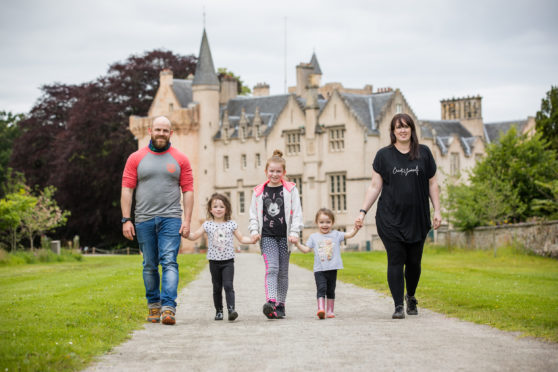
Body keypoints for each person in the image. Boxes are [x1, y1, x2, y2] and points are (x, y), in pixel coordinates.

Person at [355, 113, 441, 319]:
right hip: (389, 218)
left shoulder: (424, 153)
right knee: (395, 259)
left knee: (414, 263)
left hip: (417, 218)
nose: (402, 130)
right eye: (398, 127)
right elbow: (375, 186)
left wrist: (437, 210)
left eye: (406, 126)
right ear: (393, 131)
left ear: (412, 129)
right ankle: (397, 306)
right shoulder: (383, 155)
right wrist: (362, 211)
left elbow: (432, 184)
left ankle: (410, 296)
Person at [121, 115, 194, 326]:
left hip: (171, 218)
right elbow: (127, 190)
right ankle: (154, 306)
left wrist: (187, 220)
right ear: (149, 131)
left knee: (169, 261)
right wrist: (126, 219)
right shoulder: (135, 158)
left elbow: (188, 191)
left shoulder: (181, 159)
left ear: (171, 133)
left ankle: (168, 308)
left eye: (165, 130)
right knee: (149, 265)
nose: (161, 133)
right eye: (158, 129)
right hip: (143, 219)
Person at [249, 150, 303, 319]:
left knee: (283, 273)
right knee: (272, 268)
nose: (274, 174)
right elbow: (253, 214)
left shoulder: (290, 190)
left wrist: (294, 233)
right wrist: (254, 231)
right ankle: (271, 301)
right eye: (271, 171)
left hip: (285, 237)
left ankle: (281, 305)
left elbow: (297, 214)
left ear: (284, 173)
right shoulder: (259, 191)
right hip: (267, 236)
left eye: (278, 171)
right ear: (266, 172)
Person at [187, 193, 256, 321]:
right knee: (217, 287)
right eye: (215, 206)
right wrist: (185, 234)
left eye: (222, 207)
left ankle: (231, 310)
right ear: (210, 209)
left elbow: (241, 238)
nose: (218, 209)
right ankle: (219, 311)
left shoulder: (231, 224)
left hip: (228, 261)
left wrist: (252, 240)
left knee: (229, 285)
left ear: (227, 209)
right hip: (214, 262)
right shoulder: (207, 225)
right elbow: (194, 235)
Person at [295, 208, 361, 319]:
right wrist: (297, 243)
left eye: (328, 222)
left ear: (332, 223)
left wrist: (356, 228)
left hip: (332, 268)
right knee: (321, 288)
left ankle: (330, 311)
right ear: (317, 223)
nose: (325, 225)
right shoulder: (313, 237)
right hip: (319, 270)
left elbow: (350, 235)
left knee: (331, 290)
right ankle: (321, 309)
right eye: (321, 222)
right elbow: (306, 250)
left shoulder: (336, 234)